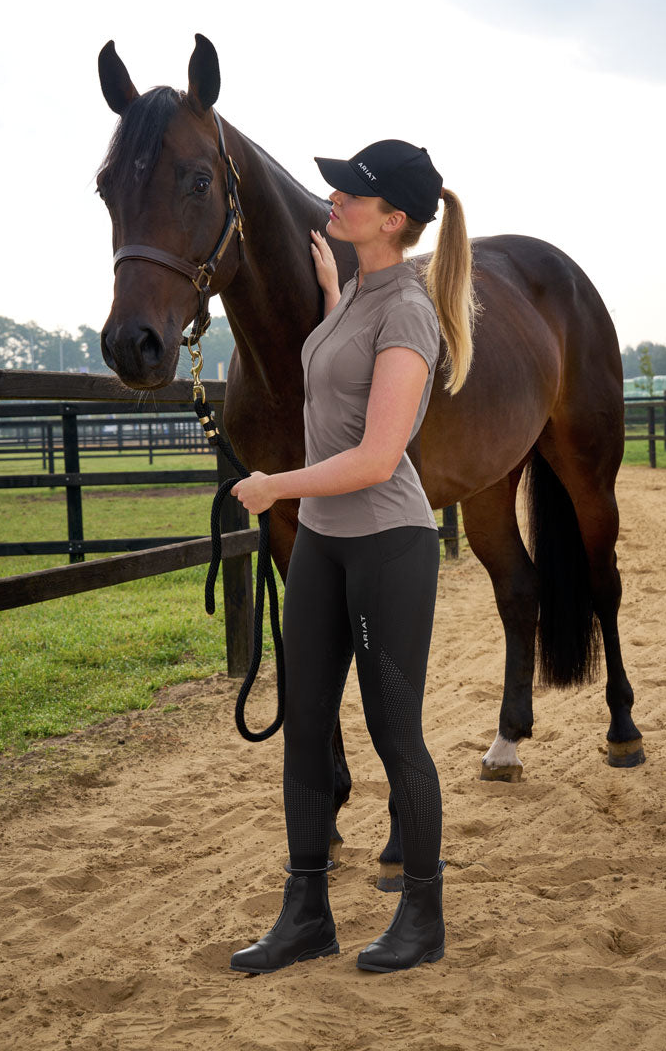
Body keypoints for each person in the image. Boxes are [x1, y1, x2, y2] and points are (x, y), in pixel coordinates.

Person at [229, 139, 475, 975]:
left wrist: (275, 485)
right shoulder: (358, 294)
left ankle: (423, 916)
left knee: (393, 731)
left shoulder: (407, 312)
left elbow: (376, 458)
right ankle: (306, 915)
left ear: (392, 219)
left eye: (350, 194)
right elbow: (340, 359)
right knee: (306, 726)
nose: (332, 198)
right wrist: (333, 292)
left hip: (386, 545)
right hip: (325, 544)